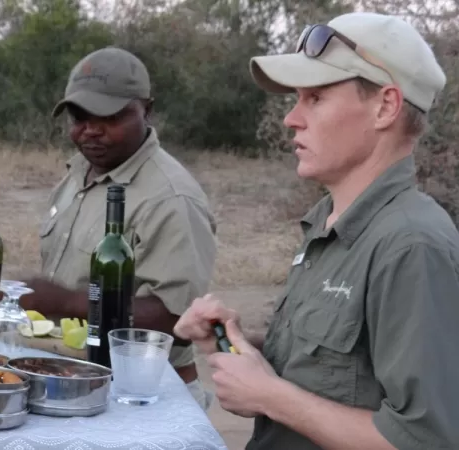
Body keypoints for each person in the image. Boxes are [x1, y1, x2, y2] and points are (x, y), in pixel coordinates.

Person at [174, 11, 459, 450]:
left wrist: (272, 396)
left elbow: (425, 441)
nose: (292, 118)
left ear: (385, 106)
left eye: (315, 98)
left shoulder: (411, 245)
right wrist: (228, 345)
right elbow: (330, 379)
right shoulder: (328, 224)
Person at [19, 46, 217, 411]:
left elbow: (174, 317)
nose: (90, 131)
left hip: (145, 395)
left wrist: (62, 303)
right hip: (79, 379)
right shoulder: (80, 171)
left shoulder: (171, 198)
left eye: (108, 116)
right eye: (78, 116)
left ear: (147, 109)